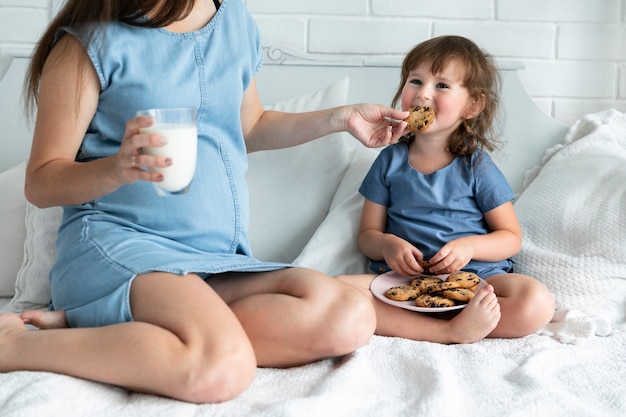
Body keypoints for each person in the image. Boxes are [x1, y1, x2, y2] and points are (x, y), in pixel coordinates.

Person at [0, 0, 411, 404]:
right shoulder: (90, 40)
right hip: (120, 247)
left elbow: (250, 125)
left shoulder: (232, 17)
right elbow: (41, 181)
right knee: (221, 365)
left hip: (212, 260)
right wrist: (118, 168)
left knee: (348, 316)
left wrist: (342, 119)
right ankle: (15, 347)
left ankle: (109, 329)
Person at [339, 36, 554, 344]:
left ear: (473, 105)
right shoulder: (389, 161)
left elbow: (510, 238)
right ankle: (445, 331)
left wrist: (469, 248)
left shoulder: (476, 165)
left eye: (441, 85)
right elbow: (367, 236)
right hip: (403, 283)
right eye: (415, 80)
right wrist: (387, 245)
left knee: (536, 301)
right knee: (336, 290)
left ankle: (460, 319)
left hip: (478, 282)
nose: (423, 94)